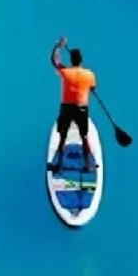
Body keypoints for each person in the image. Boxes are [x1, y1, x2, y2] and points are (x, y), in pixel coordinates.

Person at [48, 35, 97, 173]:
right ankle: (88, 164)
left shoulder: (65, 72)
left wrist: (59, 46)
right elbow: (93, 87)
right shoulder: (89, 74)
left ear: (71, 60)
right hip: (82, 108)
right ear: (81, 60)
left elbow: (54, 60)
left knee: (63, 136)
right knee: (84, 136)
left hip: (67, 108)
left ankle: (58, 164)